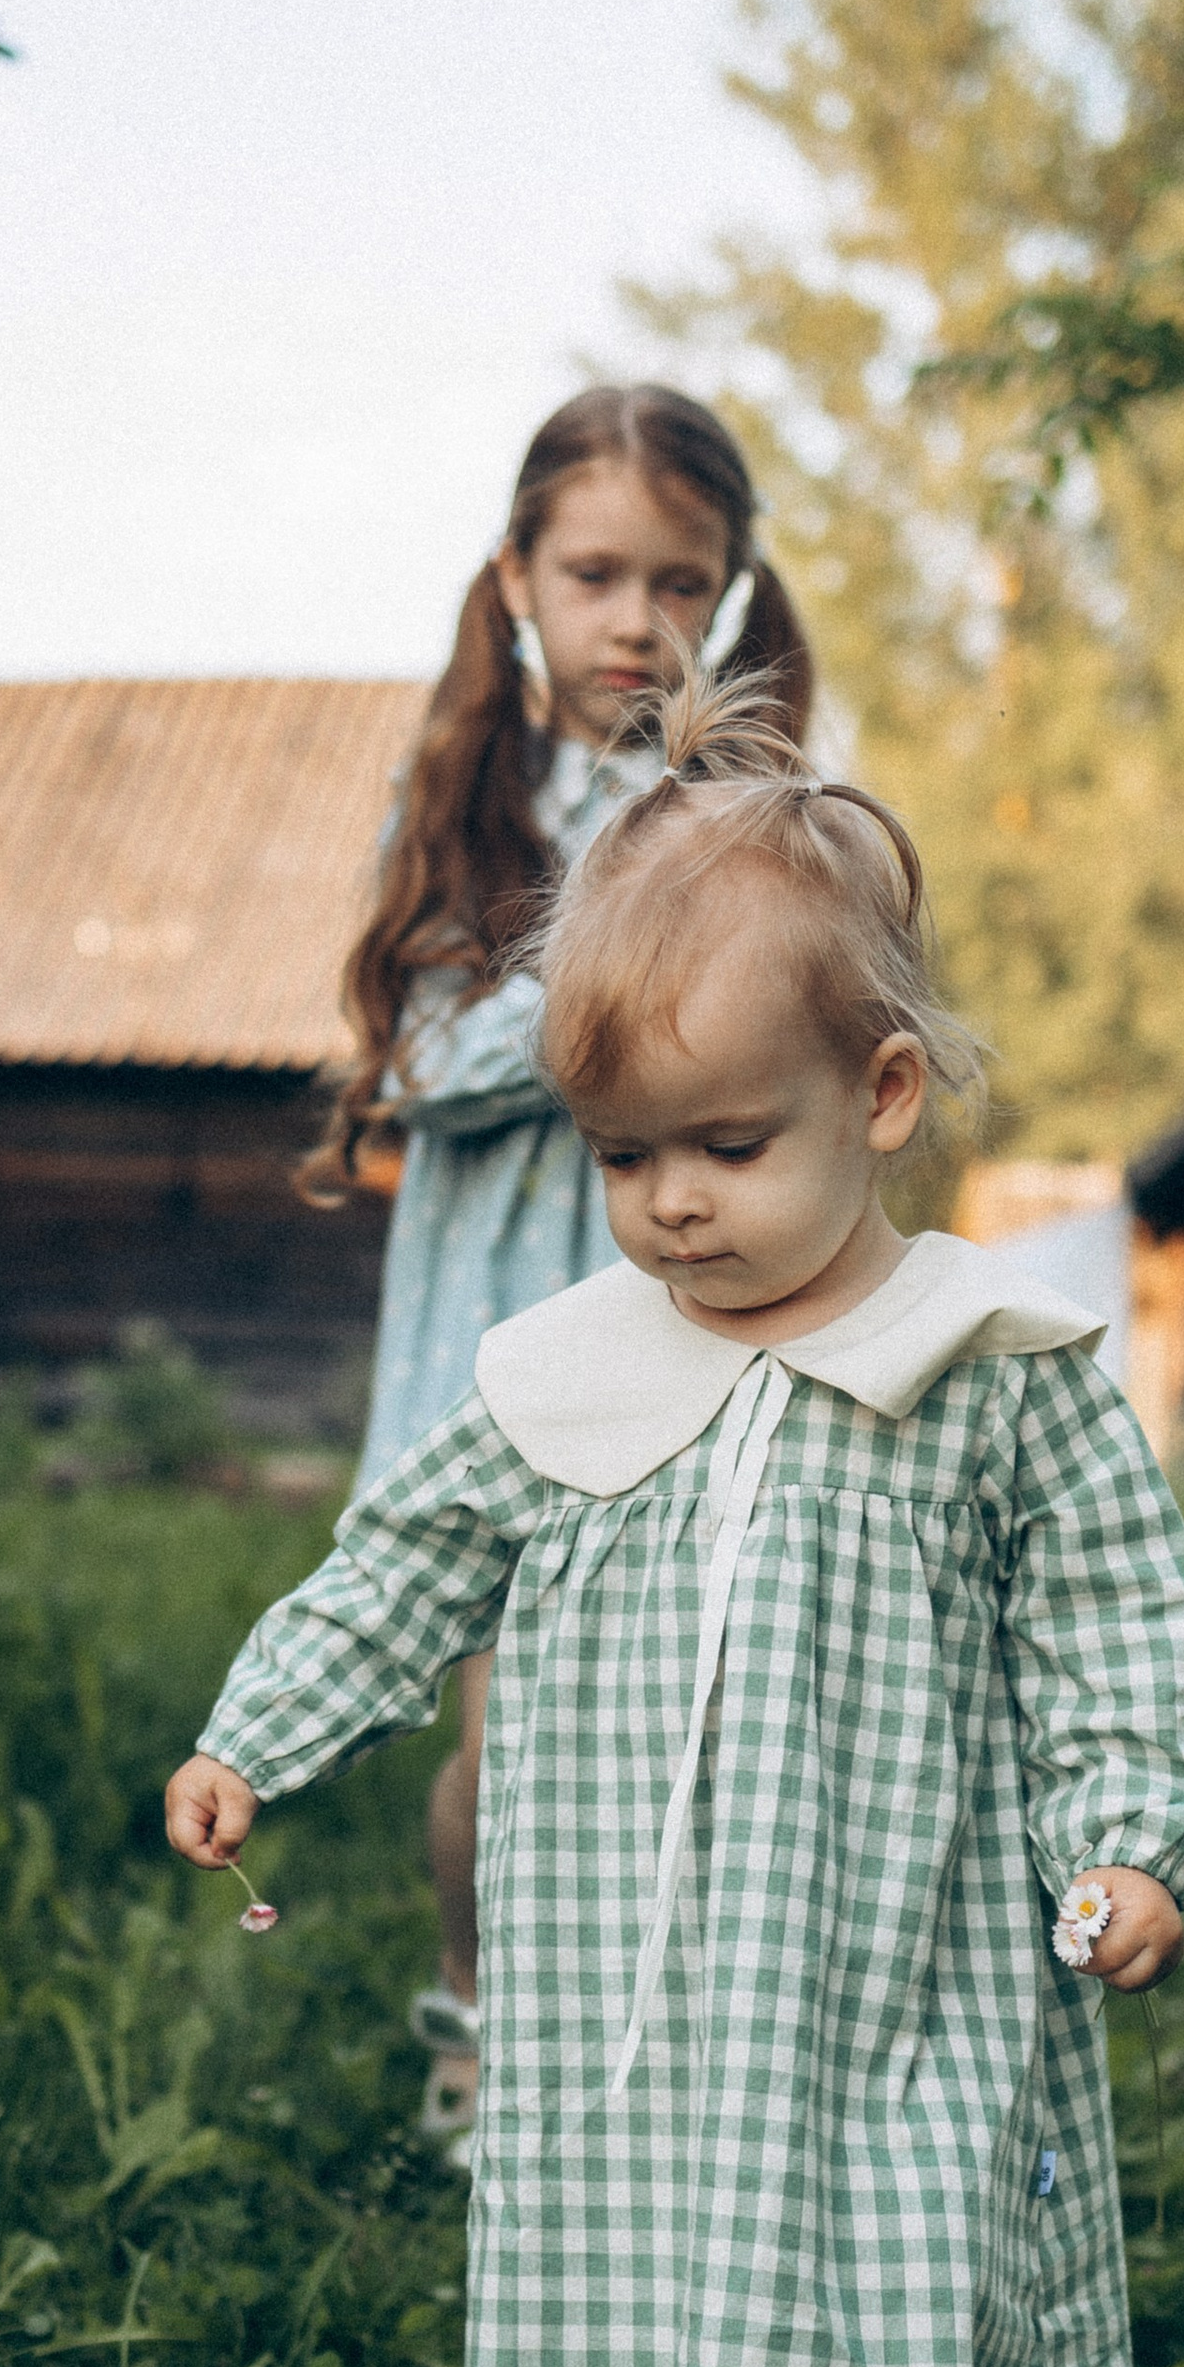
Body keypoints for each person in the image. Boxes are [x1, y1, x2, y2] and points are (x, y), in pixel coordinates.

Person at [173, 669, 1184, 2367]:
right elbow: (403, 1565)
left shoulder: (983, 1370)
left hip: (901, 1960)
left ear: (880, 1093)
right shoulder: (564, 1377)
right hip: (636, 1985)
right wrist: (260, 1736)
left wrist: (1133, 1840)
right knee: (664, 2291)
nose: (665, 1206)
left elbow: (1114, 1626)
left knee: (898, 2229)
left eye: (725, 1148)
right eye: (621, 1155)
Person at [312, 387, 813, 2154]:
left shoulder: (762, 812)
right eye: (595, 572)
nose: (636, 621)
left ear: (733, 592)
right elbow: (432, 1066)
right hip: (503, 1350)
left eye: (683, 581)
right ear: (519, 576)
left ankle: (675, 2056)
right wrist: (634, 973)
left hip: (708, 1328)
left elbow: (801, 1050)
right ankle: (479, 2024)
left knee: (715, 1732)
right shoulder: (463, 795)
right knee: (514, 1735)